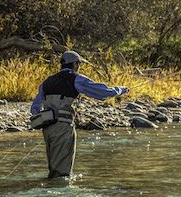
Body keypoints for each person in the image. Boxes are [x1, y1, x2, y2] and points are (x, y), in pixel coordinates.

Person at [30, 50, 128, 178]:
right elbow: (102, 93)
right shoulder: (76, 79)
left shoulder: (47, 82)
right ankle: (58, 193)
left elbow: (35, 108)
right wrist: (120, 90)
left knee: (54, 167)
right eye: (79, 64)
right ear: (75, 64)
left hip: (47, 128)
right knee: (62, 172)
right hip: (64, 128)